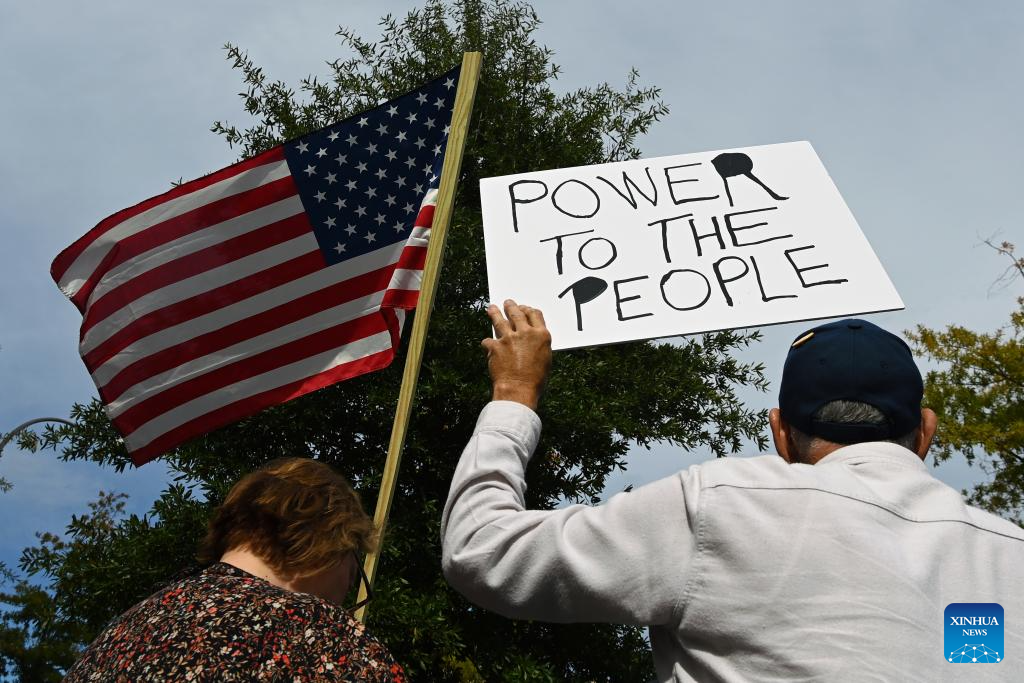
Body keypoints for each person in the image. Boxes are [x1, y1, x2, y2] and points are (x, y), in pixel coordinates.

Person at [441, 301, 1024, 682]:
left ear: (780, 433)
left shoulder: (724, 504)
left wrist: (514, 392)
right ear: (926, 432)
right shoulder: (1010, 556)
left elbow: (482, 550)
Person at [65, 457, 406, 682]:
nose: (348, 588)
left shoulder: (116, 637)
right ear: (331, 542)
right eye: (354, 570)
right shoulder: (318, 634)